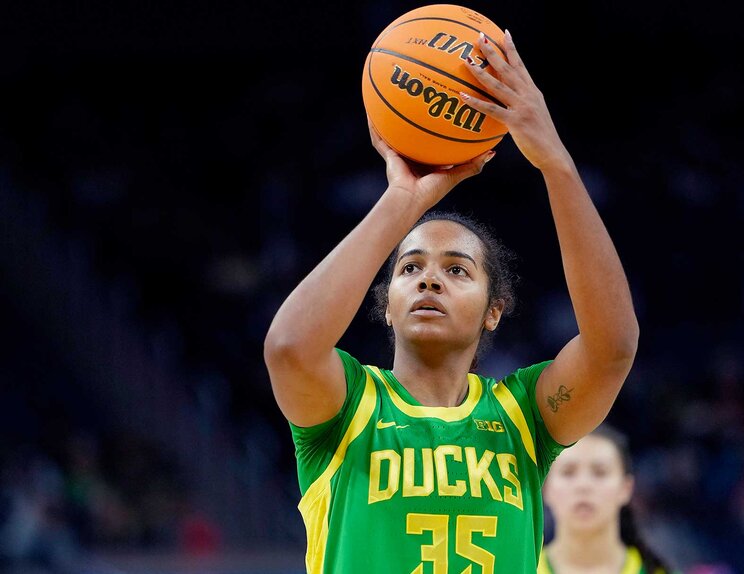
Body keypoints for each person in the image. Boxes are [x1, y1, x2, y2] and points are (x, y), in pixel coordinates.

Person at [264, 29, 639, 573]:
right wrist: (402, 200)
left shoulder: (524, 417)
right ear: (387, 305)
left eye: (457, 270)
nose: (428, 280)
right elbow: (289, 348)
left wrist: (557, 165)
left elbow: (613, 348)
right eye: (410, 268)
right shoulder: (347, 406)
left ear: (494, 312)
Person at [538, 424, 675, 574]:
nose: (584, 485)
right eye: (568, 472)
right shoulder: (521, 567)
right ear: (545, 488)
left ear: (626, 488)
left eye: (600, 473)